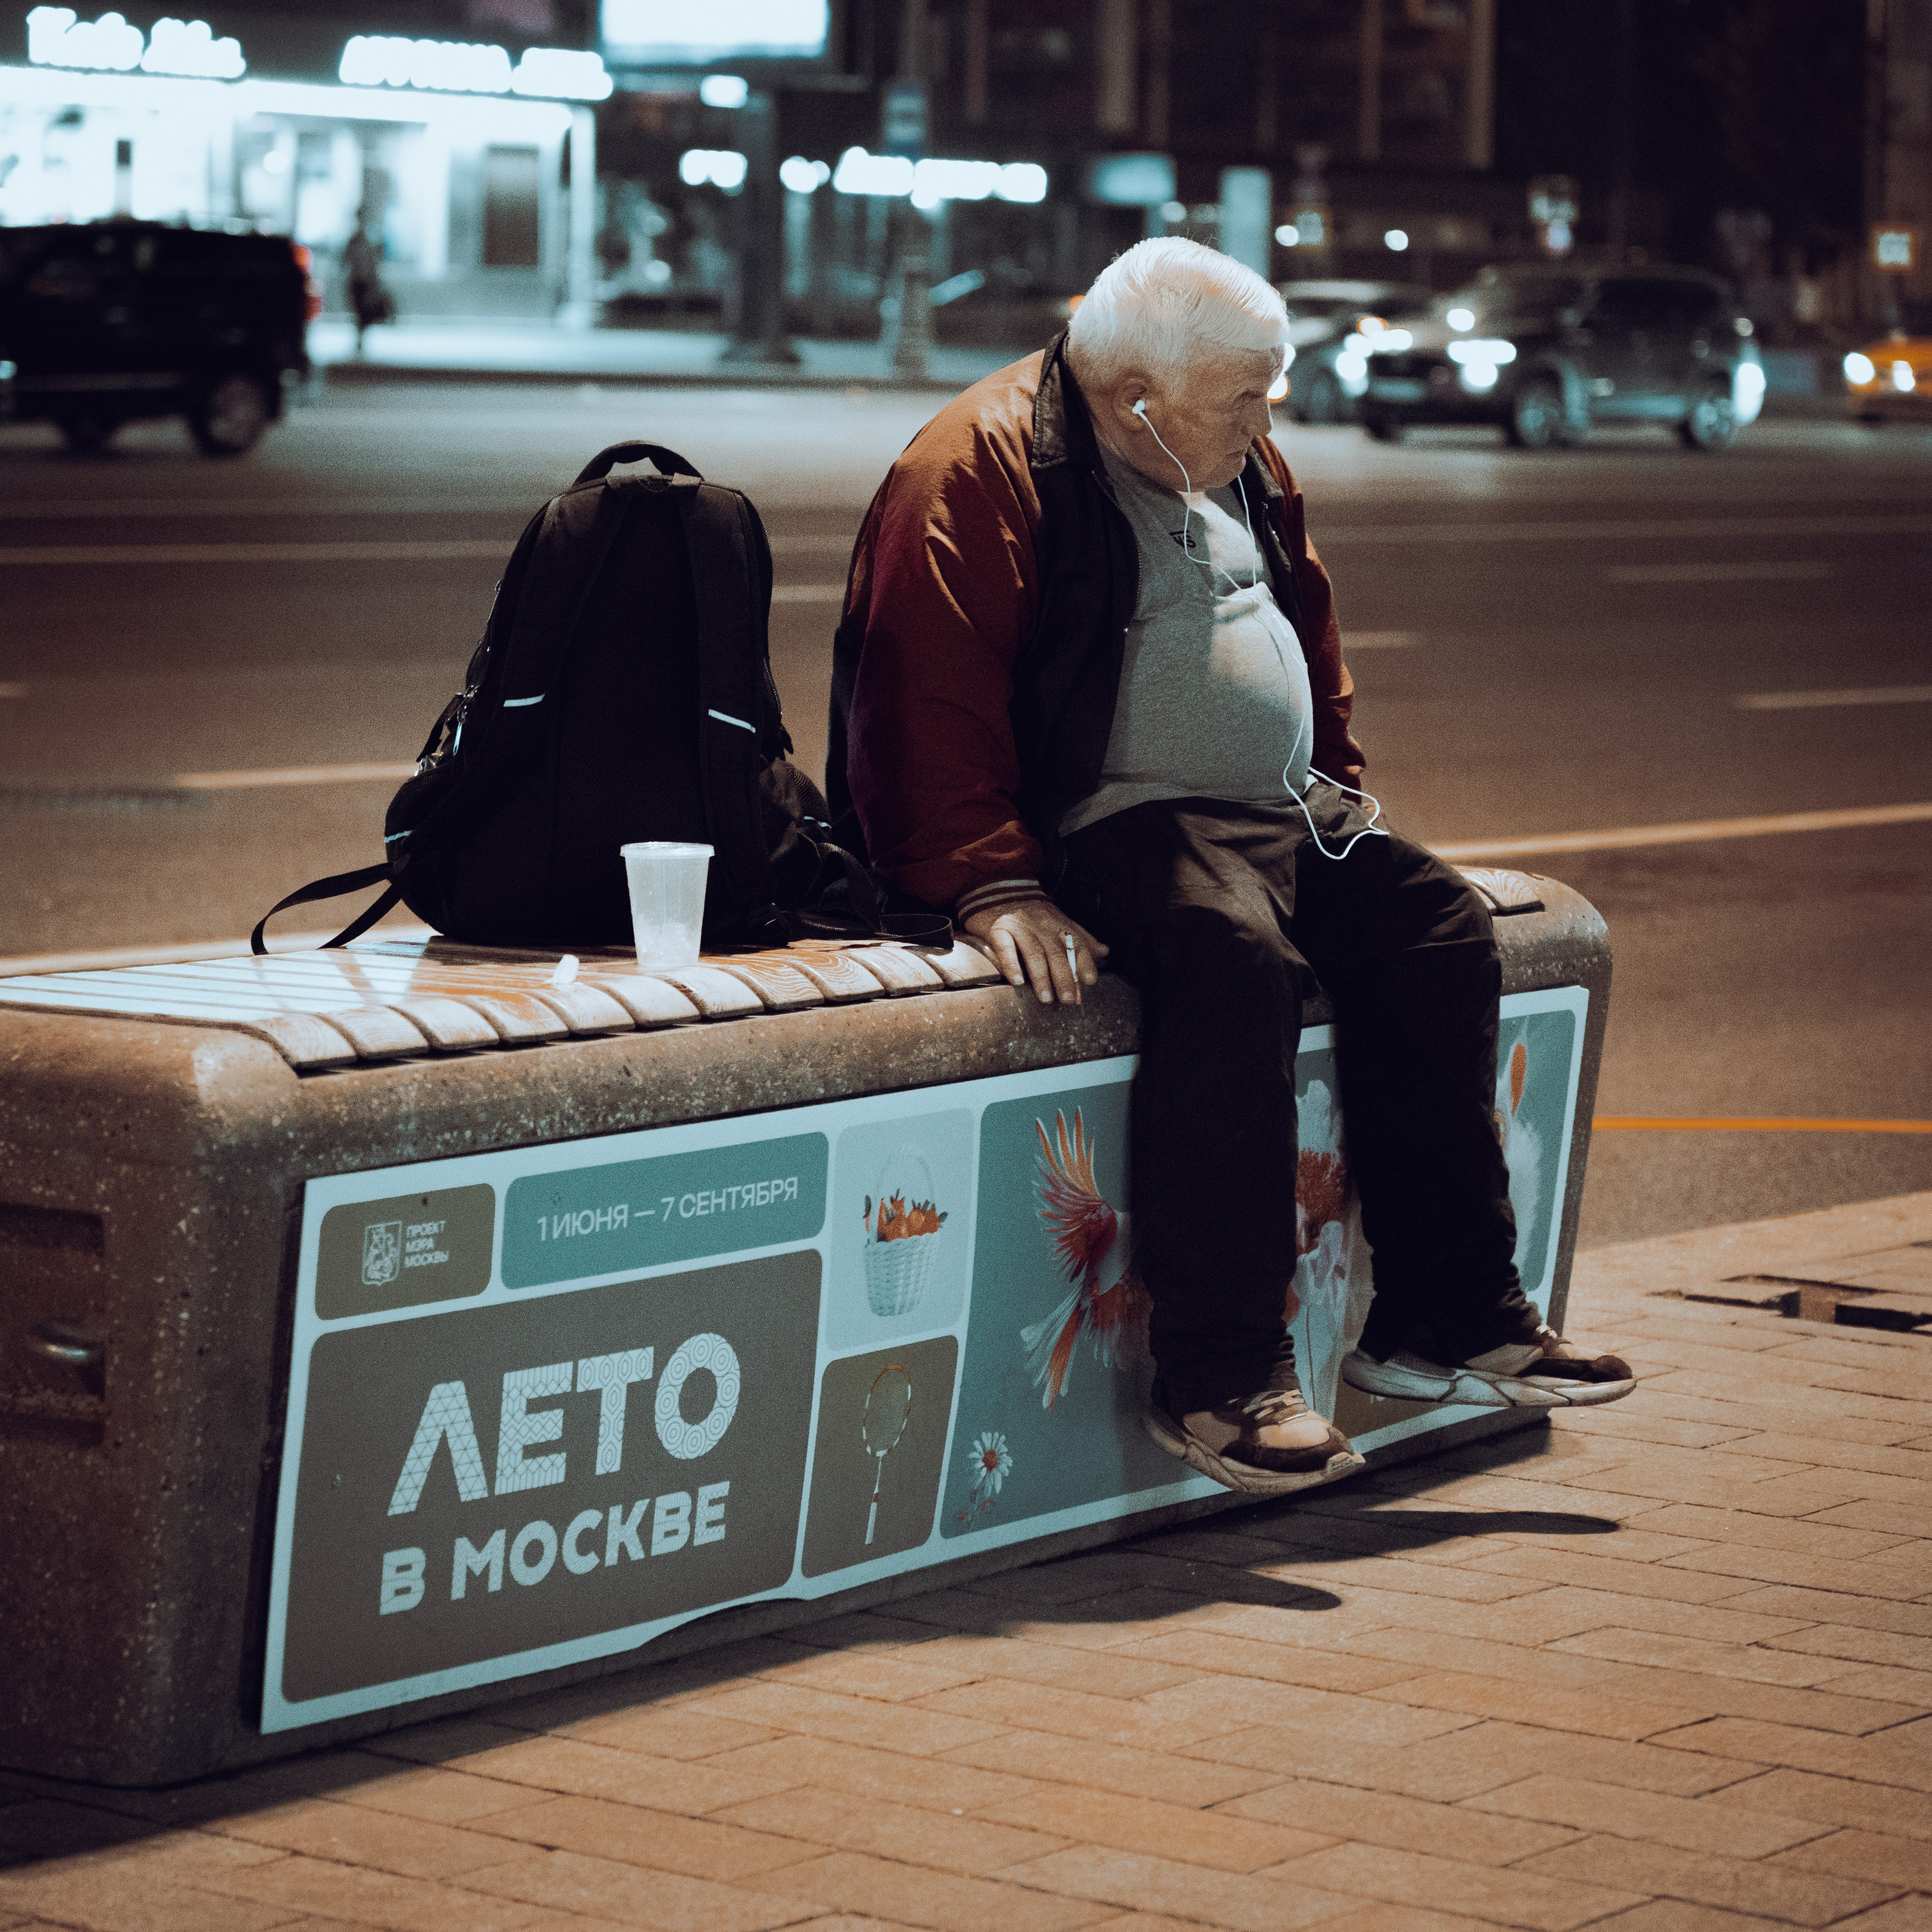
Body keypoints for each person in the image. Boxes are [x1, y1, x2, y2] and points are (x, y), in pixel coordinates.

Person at [829, 238, 1635, 1497]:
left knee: (1434, 927)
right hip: (1109, 820)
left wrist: (1339, 782)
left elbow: (1299, 625)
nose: (1274, 419)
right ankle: (1222, 1379)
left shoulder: (1226, 448)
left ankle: (1448, 1316)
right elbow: (921, 694)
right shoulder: (976, 465)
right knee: (1231, 958)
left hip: (1273, 812)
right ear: (1141, 399)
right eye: (1250, 395)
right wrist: (992, 883)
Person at [342, 215, 394, 355]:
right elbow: (344, 261)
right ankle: (360, 337)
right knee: (360, 311)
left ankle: (361, 336)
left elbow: (372, 265)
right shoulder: (354, 242)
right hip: (357, 281)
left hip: (364, 282)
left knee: (363, 311)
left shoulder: (366, 243)